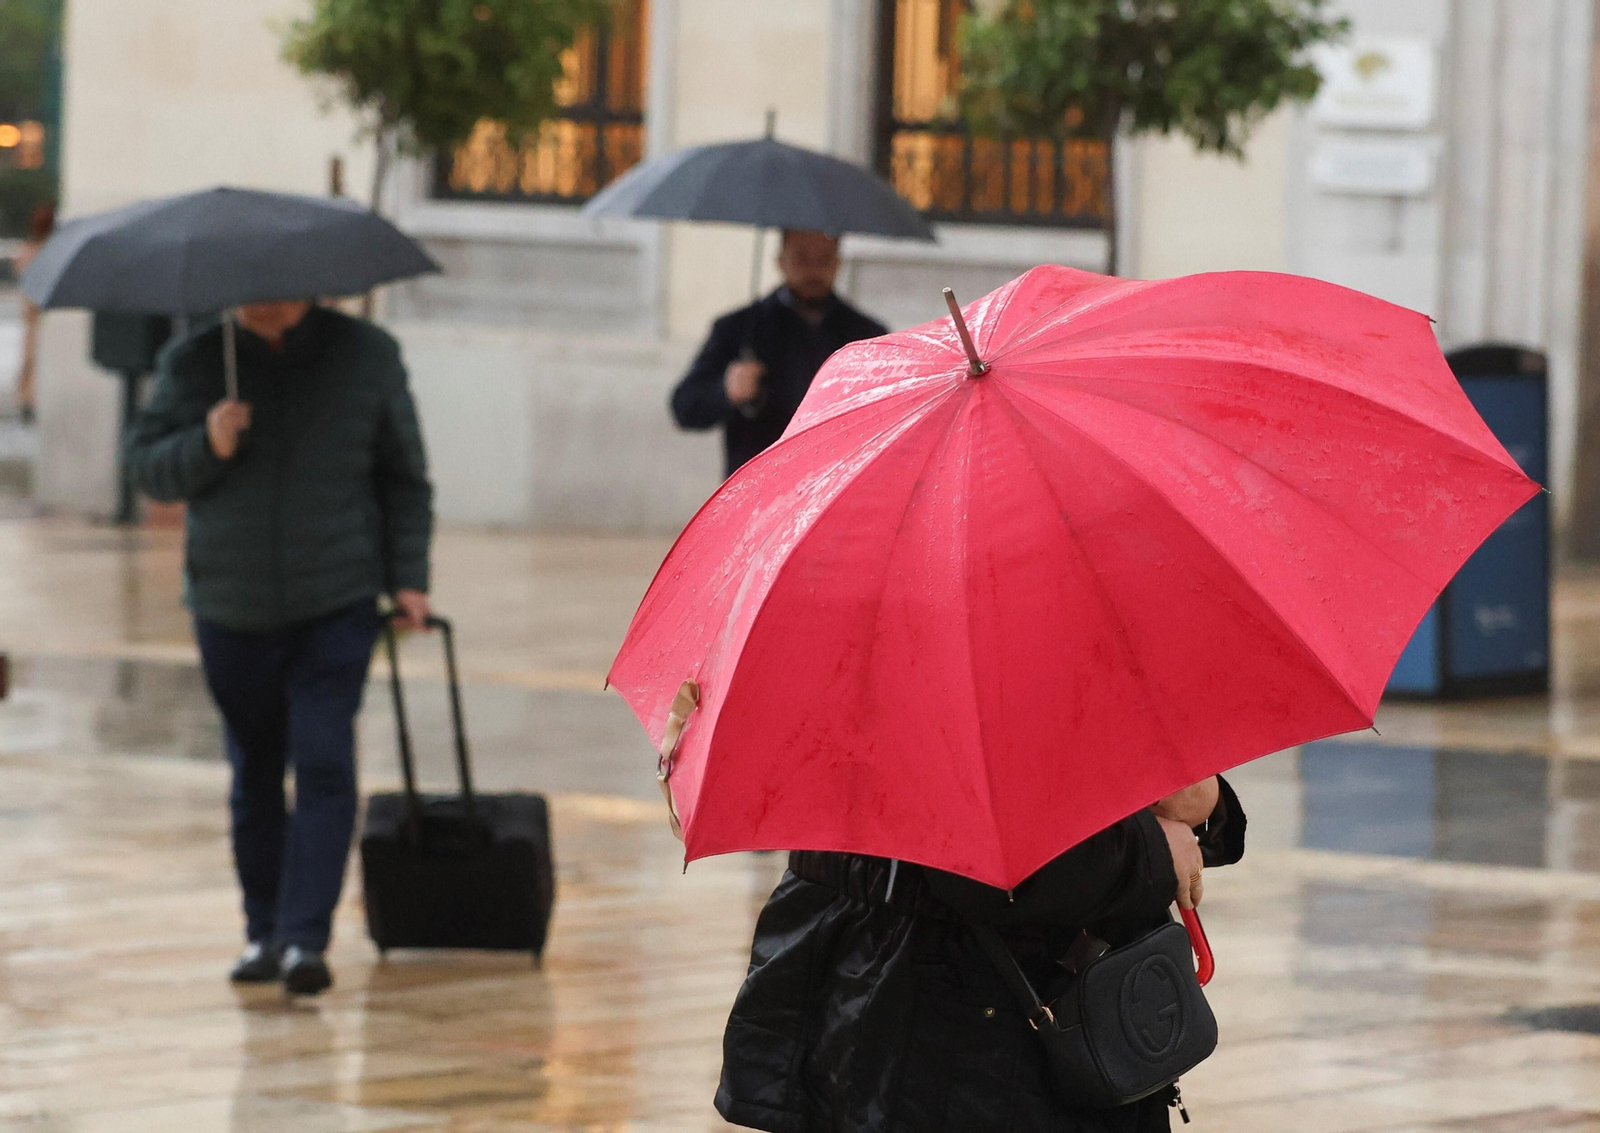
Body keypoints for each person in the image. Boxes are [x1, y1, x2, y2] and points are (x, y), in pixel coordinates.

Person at [128, 299, 433, 996]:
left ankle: (305, 938)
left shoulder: (367, 355)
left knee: (325, 762)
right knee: (255, 771)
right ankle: (261, 929)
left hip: (337, 600)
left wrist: (409, 578)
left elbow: (403, 475)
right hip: (230, 605)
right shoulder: (194, 360)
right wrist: (208, 442)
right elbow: (145, 466)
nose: (268, 301)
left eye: (285, 288)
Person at [715, 776, 1245, 1132]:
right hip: (965, 1033)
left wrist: (1203, 801)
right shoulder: (958, 672)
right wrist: (1154, 852)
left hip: (898, 1000)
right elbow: (989, 863)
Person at [671, 229, 887, 478]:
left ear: (838, 263)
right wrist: (725, 391)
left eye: (825, 259)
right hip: (756, 489)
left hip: (836, 484)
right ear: (780, 260)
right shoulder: (739, 329)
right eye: (801, 258)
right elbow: (684, 407)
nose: (813, 270)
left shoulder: (866, 335)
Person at [10, 204, 55, 424]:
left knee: (31, 357)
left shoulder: (39, 248)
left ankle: (27, 397)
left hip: (37, 311)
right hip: (36, 311)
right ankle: (27, 398)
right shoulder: (41, 248)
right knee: (31, 357)